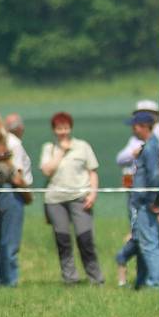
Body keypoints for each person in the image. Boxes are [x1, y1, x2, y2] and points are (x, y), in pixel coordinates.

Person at [40, 112, 104, 285]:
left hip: (79, 198)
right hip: (55, 200)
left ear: (71, 128)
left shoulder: (83, 146)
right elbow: (46, 170)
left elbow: (92, 171)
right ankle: (70, 278)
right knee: (63, 240)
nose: (63, 131)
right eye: (59, 128)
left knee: (85, 239)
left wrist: (93, 193)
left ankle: (96, 278)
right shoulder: (49, 148)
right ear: (54, 130)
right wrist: (61, 152)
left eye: (66, 127)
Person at [128, 111, 159, 289]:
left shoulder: (149, 148)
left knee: (150, 243)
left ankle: (158, 282)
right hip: (158, 200)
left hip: (149, 203)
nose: (133, 130)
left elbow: (156, 176)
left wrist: (153, 203)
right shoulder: (153, 145)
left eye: (134, 126)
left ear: (142, 127)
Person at [114, 99, 159, 286]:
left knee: (147, 238)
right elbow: (121, 158)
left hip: (146, 196)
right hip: (136, 192)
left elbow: (154, 174)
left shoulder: (154, 139)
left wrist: (154, 200)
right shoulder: (137, 140)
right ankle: (143, 278)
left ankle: (153, 278)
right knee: (141, 234)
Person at [0, 114, 33, 287]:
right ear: (20, 128)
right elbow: (17, 176)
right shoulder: (14, 143)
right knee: (9, 242)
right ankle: (9, 281)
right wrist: (27, 195)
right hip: (11, 192)